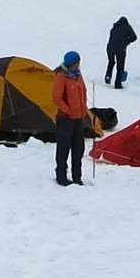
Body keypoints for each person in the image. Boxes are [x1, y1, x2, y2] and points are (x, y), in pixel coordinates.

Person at [52, 51, 89, 185]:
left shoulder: (78, 75)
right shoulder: (61, 77)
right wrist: (68, 111)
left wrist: (83, 110)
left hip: (78, 118)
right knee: (64, 148)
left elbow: (83, 92)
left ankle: (77, 176)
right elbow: (56, 98)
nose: (78, 65)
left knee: (78, 148)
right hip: (65, 118)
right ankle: (61, 176)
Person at [104, 15, 137, 89]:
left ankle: (108, 76)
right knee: (120, 67)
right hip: (121, 49)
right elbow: (134, 37)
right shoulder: (127, 27)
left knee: (111, 62)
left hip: (110, 48)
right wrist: (126, 42)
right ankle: (117, 84)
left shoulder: (114, 27)